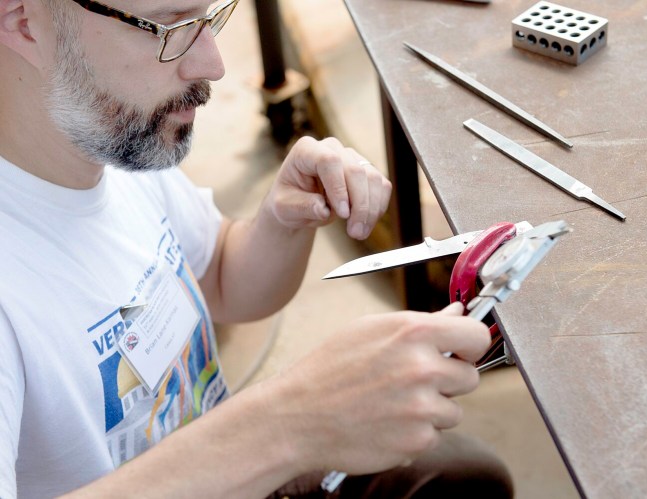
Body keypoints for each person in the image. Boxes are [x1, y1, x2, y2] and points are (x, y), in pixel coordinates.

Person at [0, 0, 513, 497]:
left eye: (207, 18)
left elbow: (222, 278)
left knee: (464, 475)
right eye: (167, 26)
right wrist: (287, 423)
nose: (212, 65)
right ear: (23, 19)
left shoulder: (102, 140)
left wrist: (281, 221)